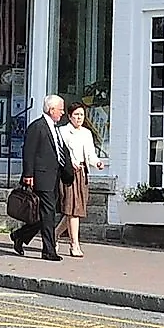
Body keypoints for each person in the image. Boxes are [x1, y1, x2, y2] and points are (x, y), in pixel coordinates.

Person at [12, 93, 70, 261]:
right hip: (41, 177)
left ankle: (20, 235)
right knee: (48, 214)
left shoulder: (55, 128)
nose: (62, 112)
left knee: (44, 214)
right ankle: (48, 251)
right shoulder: (37, 127)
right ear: (51, 109)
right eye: (60, 109)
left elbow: (60, 150)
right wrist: (28, 174)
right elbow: (29, 151)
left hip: (54, 176)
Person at [56, 101, 107, 257]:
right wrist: (70, 162)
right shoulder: (63, 131)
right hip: (68, 174)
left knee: (75, 210)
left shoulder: (86, 133)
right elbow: (59, 153)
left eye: (82, 115)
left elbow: (90, 154)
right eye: (76, 114)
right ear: (69, 116)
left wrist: (97, 162)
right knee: (72, 210)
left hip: (82, 173)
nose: (79, 118)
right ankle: (74, 244)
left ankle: (54, 234)